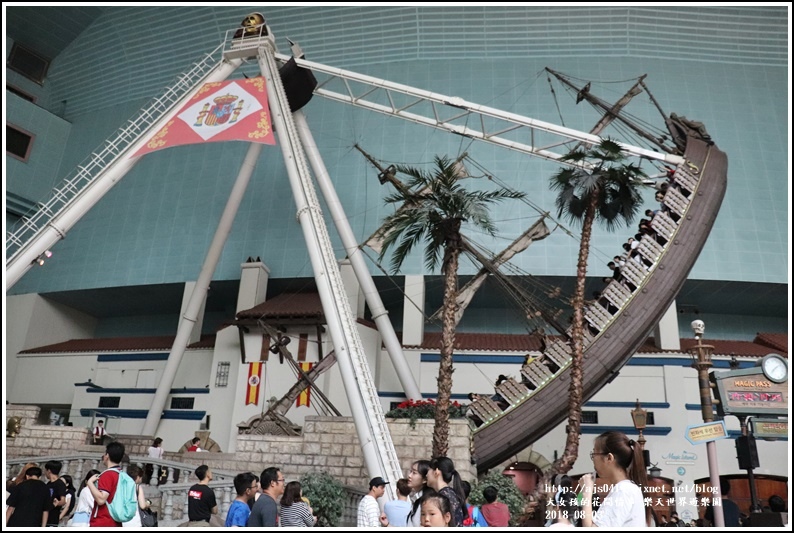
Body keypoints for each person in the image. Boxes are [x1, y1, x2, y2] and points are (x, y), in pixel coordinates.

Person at [581, 430, 650, 527]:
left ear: (609, 458)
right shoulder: (627, 489)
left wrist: (587, 492)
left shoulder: (623, 491)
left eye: (594, 454)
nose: (593, 460)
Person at [88, 441, 126, 527]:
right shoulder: (122, 475)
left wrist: (90, 483)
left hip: (103, 520)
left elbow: (101, 499)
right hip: (116, 521)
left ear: (107, 455)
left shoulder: (108, 474)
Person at [427, 457, 467, 527]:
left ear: (436, 472)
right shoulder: (450, 494)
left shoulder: (443, 497)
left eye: (428, 470)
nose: (426, 475)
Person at [407, 460, 432, 527]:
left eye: (414, 473)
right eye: (410, 471)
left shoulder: (427, 500)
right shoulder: (418, 498)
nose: (409, 475)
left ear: (424, 479)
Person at [44, 460, 67, 527]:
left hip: (52, 518)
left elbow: (63, 501)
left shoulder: (60, 484)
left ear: (49, 471)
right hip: (45, 516)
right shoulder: (48, 484)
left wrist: (57, 503)